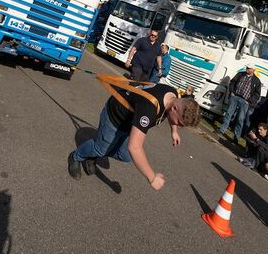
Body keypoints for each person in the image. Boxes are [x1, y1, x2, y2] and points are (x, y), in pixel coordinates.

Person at [68, 79, 201, 190]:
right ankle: (76, 156)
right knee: (101, 148)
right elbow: (135, 147)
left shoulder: (174, 96)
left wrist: (174, 131)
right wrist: (152, 177)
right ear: (175, 108)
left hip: (130, 122)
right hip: (115, 116)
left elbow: (174, 115)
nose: (178, 125)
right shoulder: (149, 109)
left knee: (125, 156)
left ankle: (93, 155)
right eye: (179, 123)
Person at [218, 65, 262, 145]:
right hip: (235, 97)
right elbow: (232, 82)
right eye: (247, 68)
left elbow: (257, 94)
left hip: (245, 101)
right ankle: (222, 130)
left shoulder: (256, 80)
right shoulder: (240, 74)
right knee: (228, 114)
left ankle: (236, 138)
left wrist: (249, 101)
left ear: (253, 69)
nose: (247, 69)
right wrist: (231, 92)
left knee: (240, 119)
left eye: (249, 68)